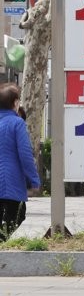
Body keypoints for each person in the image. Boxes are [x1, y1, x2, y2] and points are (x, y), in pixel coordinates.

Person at [0, 83, 40, 241]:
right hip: (10, 180)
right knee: (18, 214)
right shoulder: (17, 123)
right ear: (15, 103)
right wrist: (34, 179)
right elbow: (25, 155)